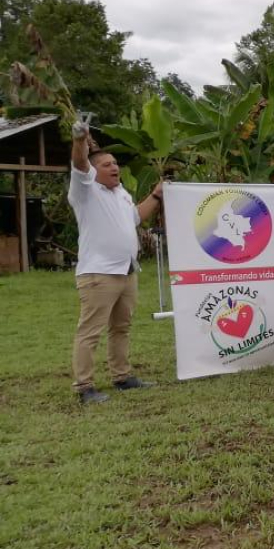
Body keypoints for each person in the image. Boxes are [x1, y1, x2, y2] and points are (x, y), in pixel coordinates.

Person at [67, 119, 163, 403]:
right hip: (99, 274)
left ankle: (122, 377)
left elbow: (135, 217)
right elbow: (79, 163)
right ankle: (84, 387)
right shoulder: (84, 191)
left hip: (126, 272)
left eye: (115, 163)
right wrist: (79, 140)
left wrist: (156, 195)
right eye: (107, 164)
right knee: (90, 332)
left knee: (121, 328)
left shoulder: (120, 194)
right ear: (93, 170)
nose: (114, 167)